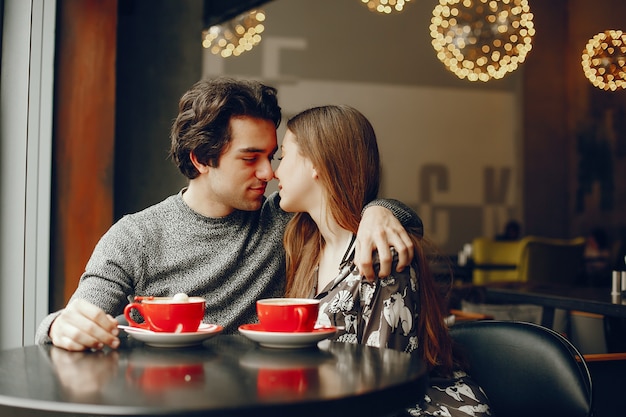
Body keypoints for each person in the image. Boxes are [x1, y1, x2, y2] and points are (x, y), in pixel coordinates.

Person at [36, 78, 419, 352]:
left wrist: (380, 210)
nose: (269, 173)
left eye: (272, 156)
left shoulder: (284, 220)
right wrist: (58, 325)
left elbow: (349, 208)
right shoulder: (136, 237)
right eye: (250, 158)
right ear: (202, 159)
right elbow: (79, 316)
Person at [274, 105, 492, 416]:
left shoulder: (381, 255)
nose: (274, 172)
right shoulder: (306, 246)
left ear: (315, 163)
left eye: (283, 156)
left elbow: (383, 388)